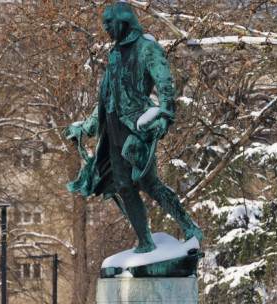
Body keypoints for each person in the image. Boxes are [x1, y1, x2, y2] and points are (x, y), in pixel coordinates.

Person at [65, 1, 203, 253]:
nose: (106, 28)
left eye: (109, 23)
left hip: (137, 129)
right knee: (124, 187)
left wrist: (164, 115)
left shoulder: (146, 49)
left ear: (124, 21)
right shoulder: (115, 54)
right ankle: (146, 243)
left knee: (150, 184)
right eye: (104, 23)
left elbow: (165, 84)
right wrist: (85, 127)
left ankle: (189, 227)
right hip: (114, 132)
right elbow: (106, 98)